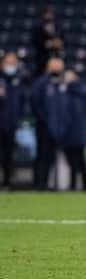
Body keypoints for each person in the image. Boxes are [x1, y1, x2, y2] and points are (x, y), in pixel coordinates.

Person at [30, 57, 68, 190]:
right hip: (44, 127)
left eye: (59, 66)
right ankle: (39, 184)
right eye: (55, 66)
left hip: (59, 128)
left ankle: (49, 184)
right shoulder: (41, 83)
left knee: (52, 158)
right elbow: (35, 103)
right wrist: (44, 120)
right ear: (48, 66)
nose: (57, 68)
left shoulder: (63, 83)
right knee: (42, 156)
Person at [61, 70, 86, 192]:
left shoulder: (64, 93)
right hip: (83, 133)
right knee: (82, 161)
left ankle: (73, 185)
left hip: (68, 132)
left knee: (72, 162)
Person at [0, 52, 26, 189]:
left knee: (9, 154)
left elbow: (21, 101)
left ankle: (7, 182)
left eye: (13, 63)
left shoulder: (18, 80)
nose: (11, 65)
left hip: (11, 123)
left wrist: (19, 119)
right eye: (8, 62)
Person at [31, 7, 64, 77]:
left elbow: (63, 38)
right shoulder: (38, 27)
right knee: (42, 74)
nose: (49, 16)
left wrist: (59, 43)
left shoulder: (57, 26)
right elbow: (35, 40)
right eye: (47, 14)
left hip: (56, 54)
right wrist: (47, 44)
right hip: (43, 56)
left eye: (50, 14)